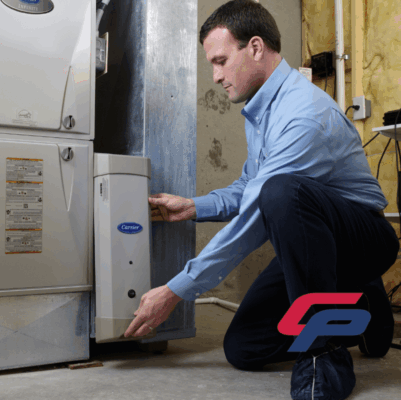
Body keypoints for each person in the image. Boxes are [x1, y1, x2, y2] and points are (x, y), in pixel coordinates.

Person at [123, 1, 399, 399]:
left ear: (255, 47)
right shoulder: (262, 109)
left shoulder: (303, 114)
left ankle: (324, 355)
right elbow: (251, 187)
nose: (216, 77)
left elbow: (260, 208)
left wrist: (176, 289)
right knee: (244, 347)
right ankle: (363, 305)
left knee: (282, 192)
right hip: (314, 243)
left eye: (220, 61)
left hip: (362, 239)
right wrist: (195, 207)